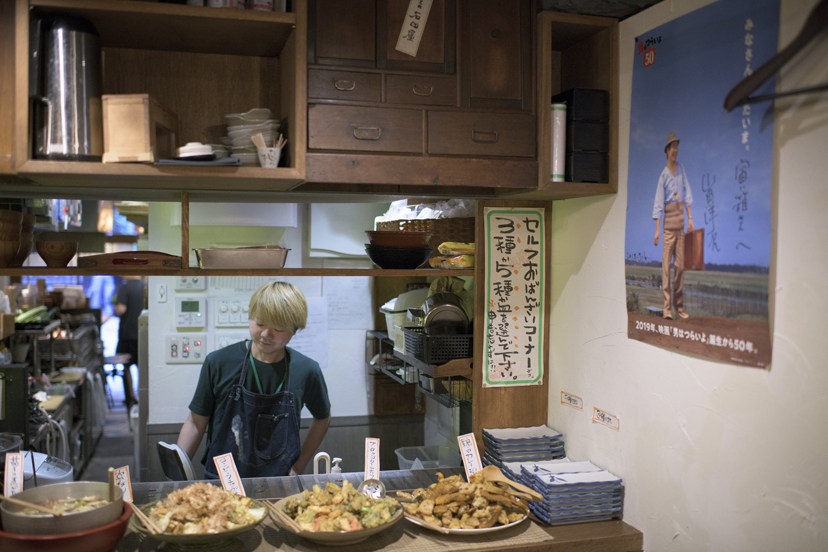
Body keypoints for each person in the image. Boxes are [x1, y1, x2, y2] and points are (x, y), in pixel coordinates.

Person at [177, 281, 331, 478]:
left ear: (295, 329)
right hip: (222, 482)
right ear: (250, 316)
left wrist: (299, 466)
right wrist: (178, 476)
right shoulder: (219, 362)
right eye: (260, 323)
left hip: (279, 482)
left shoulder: (307, 370)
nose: (266, 334)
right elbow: (195, 422)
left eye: (278, 328)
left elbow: (323, 418)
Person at [653, 132, 694, 320]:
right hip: (668, 228)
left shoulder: (682, 169)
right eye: (672, 147)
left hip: (681, 226)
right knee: (666, 269)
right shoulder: (663, 175)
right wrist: (657, 231)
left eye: (677, 147)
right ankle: (667, 309)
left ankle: (680, 307)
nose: (675, 150)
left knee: (679, 268)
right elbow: (659, 204)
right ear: (667, 151)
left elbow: (686, 193)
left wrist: (690, 218)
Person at [113, 275, 146, 407]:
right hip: (142, 333)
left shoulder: (125, 287)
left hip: (127, 334)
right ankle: (143, 395)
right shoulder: (145, 286)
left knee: (126, 367)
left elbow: (122, 308)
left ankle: (131, 397)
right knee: (142, 367)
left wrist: (114, 309)